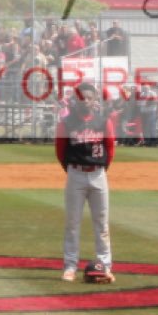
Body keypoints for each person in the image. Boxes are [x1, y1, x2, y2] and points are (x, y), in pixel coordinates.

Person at [55, 83, 115, 283]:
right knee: (72, 223)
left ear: (95, 99)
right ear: (76, 99)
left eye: (89, 98)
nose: (86, 101)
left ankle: (105, 266)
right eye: (82, 98)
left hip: (98, 174)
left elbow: (110, 149)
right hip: (76, 174)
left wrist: (100, 169)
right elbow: (60, 151)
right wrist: (72, 170)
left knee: (102, 223)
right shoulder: (67, 123)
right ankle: (70, 266)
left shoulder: (103, 122)